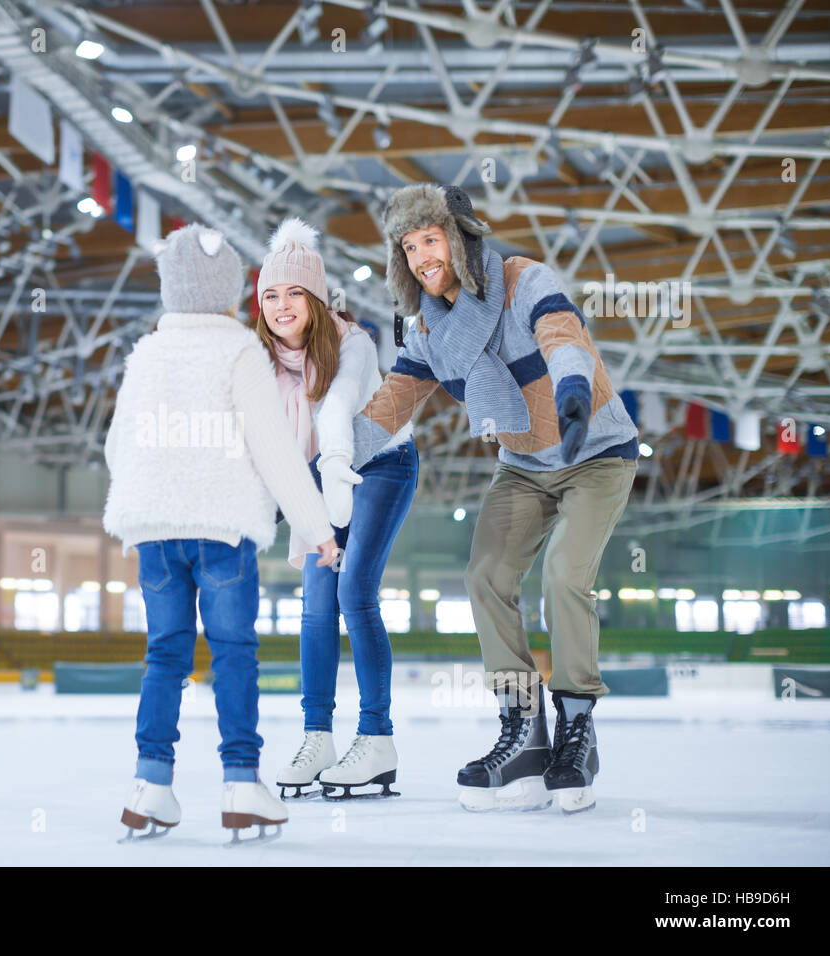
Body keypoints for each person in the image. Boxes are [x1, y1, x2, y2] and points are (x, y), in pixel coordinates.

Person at [351, 183, 638, 814]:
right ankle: (523, 731)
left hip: (594, 453)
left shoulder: (522, 280)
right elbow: (396, 398)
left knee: (564, 575)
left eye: (430, 238)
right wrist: (338, 454)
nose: (421, 254)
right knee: (486, 574)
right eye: (409, 245)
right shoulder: (428, 328)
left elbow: (563, 334)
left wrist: (569, 393)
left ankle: (577, 730)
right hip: (524, 466)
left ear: (458, 238)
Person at [103, 223, 339, 841]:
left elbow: (115, 447)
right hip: (221, 527)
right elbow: (275, 450)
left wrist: (149, 494)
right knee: (233, 653)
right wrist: (318, 528)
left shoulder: (146, 354)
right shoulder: (240, 352)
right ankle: (240, 784)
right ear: (231, 290)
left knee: (165, 656)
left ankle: (150, 784)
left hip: (154, 530)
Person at [254, 219, 418, 800]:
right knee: (317, 606)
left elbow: (340, 404)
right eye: (270, 295)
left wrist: (333, 462)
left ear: (316, 299)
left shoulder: (354, 342)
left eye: (294, 292)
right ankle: (317, 734)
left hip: (379, 464)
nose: (281, 305)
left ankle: (376, 737)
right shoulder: (261, 364)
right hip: (320, 480)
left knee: (354, 593)